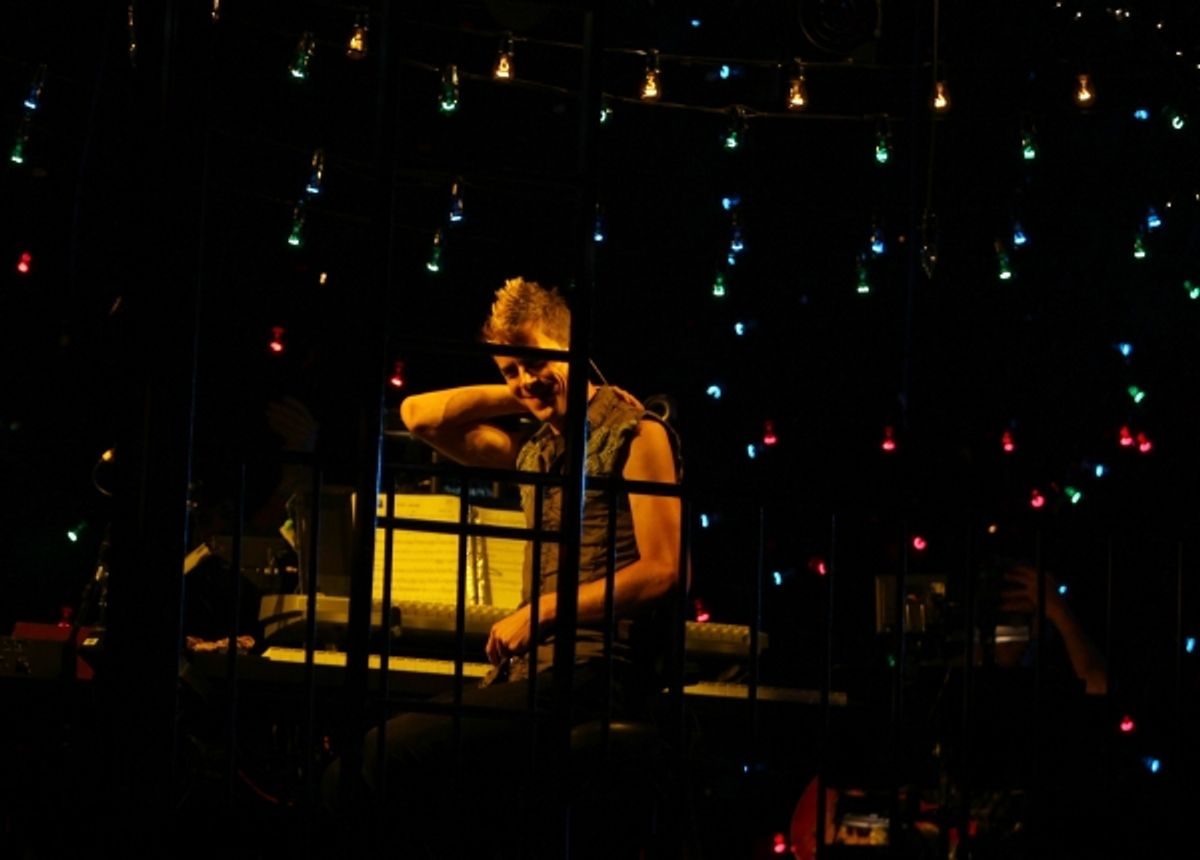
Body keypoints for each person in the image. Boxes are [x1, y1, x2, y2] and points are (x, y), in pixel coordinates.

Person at [321, 276, 685, 857]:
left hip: (596, 672)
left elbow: (666, 571)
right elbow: (419, 416)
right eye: (508, 369)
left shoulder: (638, 434)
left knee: (382, 760)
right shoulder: (534, 450)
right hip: (533, 674)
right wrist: (526, 389)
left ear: (572, 349)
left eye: (534, 361)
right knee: (355, 773)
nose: (522, 379)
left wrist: (543, 612)